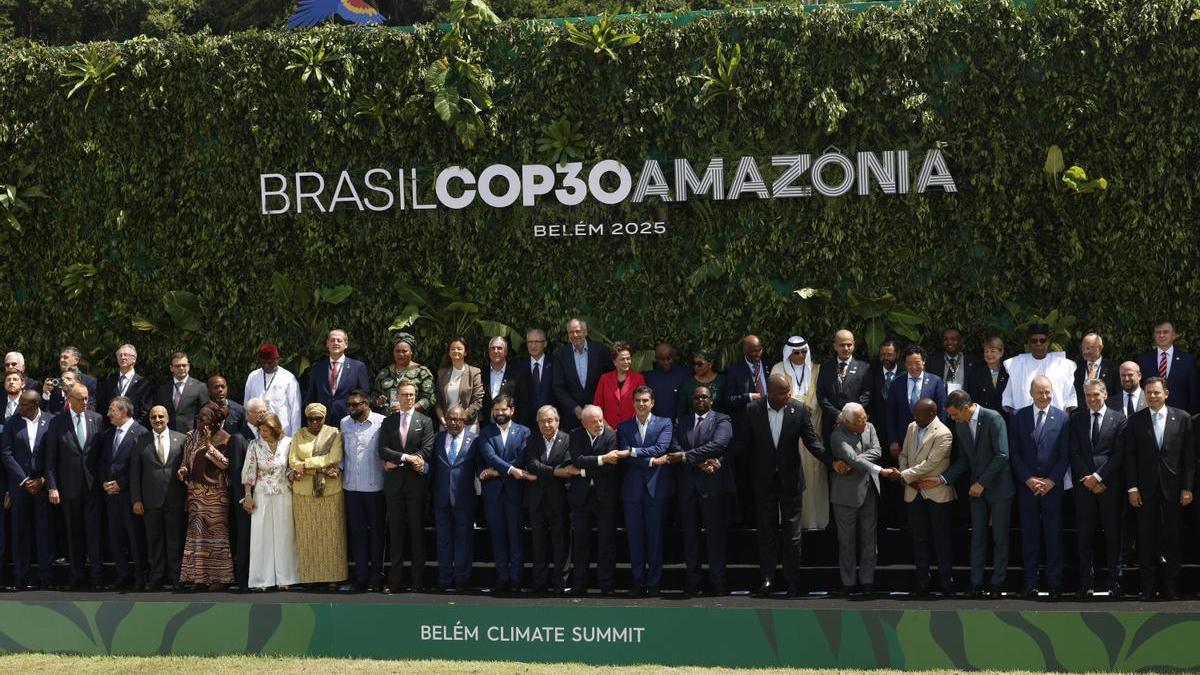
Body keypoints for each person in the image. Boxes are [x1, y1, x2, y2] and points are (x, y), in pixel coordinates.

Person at [737, 373, 839, 597]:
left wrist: (833, 462)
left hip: (790, 481)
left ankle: (793, 582)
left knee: (792, 534)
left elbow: (812, 442)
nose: (789, 396)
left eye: (789, 391)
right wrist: (722, 461)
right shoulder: (753, 410)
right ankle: (767, 580)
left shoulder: (798, 410)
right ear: (770, 394)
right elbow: (742, 444)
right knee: (766, 532)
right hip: (763, 482)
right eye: (784, 393)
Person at [923, 389, 1013, 598]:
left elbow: (1002, 455)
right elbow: (964, 459)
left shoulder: (993, 418)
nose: (952, 419)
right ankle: (976, 582)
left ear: (966, 408)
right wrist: (943, 479)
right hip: (976, 490)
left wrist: (982, 483)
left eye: (955, 414)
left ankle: (997, 583)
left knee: (1000, 537)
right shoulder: (961, 425)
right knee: (977, 537)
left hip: (999, 488)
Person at [1126, 377, 1194, 600]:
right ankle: (1147, 588)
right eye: (1149, 393)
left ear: (1166, 393)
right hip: (1144, 491)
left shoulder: (1182, 418)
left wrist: (1187, 488)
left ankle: (1170, 587)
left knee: (1172, 539)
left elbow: (1189, 457)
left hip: (1174, 491)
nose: (1152, 396)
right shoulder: (1135, 421)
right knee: (1146, 539)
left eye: (1156, 392)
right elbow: (1131, 457)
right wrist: (1132, 488)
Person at [881, 398, 955, 597]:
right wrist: (907, 478)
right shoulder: (912, 427)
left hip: (936, 494)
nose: (915, 417)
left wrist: (904, 475)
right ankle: (923, 582)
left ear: (932, 414)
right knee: (919, 539)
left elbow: (931, 464)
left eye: (919, 414)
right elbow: (903, 455)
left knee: (941, 540)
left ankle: (946, 583)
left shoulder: (944, 433)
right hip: (913, 492)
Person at [664, 385, 732, 596]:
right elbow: (674, 447)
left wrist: (687, 457)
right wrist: (697, 461)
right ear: (691, 400)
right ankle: (693, 584)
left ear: (711, 400)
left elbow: (719, 444)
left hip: (712, 487)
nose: (700, 400)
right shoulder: (681, 421)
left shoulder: (722, 419)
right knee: (690, 540)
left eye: (704, 397)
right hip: (687, 488)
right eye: (696, 397)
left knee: (715, 538)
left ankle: (718, 583)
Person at [1009, 376, 1070, 599]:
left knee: (1054, 536)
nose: (1044, 396)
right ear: (1031, 393)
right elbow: (1013, 453)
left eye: (1048, 392)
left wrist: (1051, 481)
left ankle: (1054, 583)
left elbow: (1065, 455)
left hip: (1053, 488)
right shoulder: (1019, 417)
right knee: (1030, 536)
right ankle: (1031, 582)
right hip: (1027, 488)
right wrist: (1028, 479)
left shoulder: (1063, 418)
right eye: (1040, 392)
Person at [1069, 378, 1126, 598]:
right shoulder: (1077, 419)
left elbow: (1119, 454)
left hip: (1109, 486)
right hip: (1084, 487)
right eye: (1088, 395)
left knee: (1113, 535)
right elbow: (1073, 452)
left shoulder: (1119, 419)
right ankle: (1086, 582)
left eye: (1096, 395)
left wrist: (1098, 477)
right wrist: (1088, 479)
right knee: (1084, 535)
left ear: (1104, 394)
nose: (1092, 399)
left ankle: (1115, 581)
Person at [44, 382, 105, 589]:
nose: (85, 402)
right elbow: (51, 459)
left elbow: (102, 456)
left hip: (92, 487)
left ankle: (97, 576)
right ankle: (76, 575)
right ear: (69, 399)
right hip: (68, 488)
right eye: (81, 398)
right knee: (73, 532)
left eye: (87, 397)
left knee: (94, 532)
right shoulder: (57, 423)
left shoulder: (96, 419)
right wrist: (52, 486)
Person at [378, 383, 434, 592]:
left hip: (416, 485)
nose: (409, 398)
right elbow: (383, 450)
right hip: (394, 487)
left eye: (412, 395)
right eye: (404, 395)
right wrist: (405, 458)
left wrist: (400, 462)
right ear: (397, 397)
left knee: (417, 533)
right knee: (396, 534)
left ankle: (418, 581)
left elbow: (427, 450)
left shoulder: (426, 421)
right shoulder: (388, 421)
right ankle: (395, 581)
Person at [476, 393, 535, 592]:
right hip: (493, 494)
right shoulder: (485, 432)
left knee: (516, 536)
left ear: (512, 410)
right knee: (498, 536)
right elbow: (489, 456)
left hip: (515, 493)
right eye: (496, 410)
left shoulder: (524, 432)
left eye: (503, 409)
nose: (500, 413)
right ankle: (503, 577)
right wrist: (510, 471)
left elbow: (522, 458)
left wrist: (497, 472)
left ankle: (517, 579)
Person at [617, 386, 673, 596]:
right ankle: (638, 582)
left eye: (645, 400)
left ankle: (654, 583)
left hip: (656, 489)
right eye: (638, 400)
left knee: (655, 538)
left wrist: (633, 451)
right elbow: (626, 460)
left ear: (652, 403)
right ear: (633, 403)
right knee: (635, 539)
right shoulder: (624, 427)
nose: (641, 404)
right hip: (632, 491)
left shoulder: (665, 423)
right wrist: (650, 461)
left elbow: (661, 448)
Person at [289, 402, 348, 589]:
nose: (315, 422)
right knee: (307, 535)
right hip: (304, 491)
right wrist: (318, 466)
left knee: (332, 535)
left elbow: (334, 457)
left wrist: (305, 465)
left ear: (325, 418)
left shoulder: (334, 433)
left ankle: (334, 577)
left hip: (330, 491)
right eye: (311, 419)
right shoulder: (299, 434)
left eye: (319, 418)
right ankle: (309, 577)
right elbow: (292, 460)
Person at [177, 402, 236, 590]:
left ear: (214, 421)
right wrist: (183, 469)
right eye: (198, 418)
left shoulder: (225, 437)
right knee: (197, 536)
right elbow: (186, 460)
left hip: (216, 495)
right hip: (195, 493)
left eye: (204, 419)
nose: (200, 422)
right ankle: (199, 577)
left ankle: (219, 578)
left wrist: (209, 445)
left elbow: (225, 464)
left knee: (216, 536)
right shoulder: (191, 436)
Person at [773, 335, 829, 530]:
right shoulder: (778, 369)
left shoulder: (817, 369)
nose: (800, 356)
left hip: (814, 430)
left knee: (814, 477)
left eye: (803, 351)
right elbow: (775, 397)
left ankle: (815, 521)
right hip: (789, 433)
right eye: (795, 352)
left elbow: (822, 397)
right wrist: (800, 408)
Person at [0, 389, 55, 589]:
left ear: (35, 405)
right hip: (19, 486)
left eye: (24, 404)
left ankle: (45, 576)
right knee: (20, 532)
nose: (19, 407)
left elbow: (53, 454)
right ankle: (21, 576)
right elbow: (6, 454)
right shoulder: (12, 423)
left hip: (42, 486)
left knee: (44, 531)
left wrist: (42, 480)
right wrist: (24, 480)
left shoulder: (50, 421)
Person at [565, 405, 621, 595]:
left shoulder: (611, 436)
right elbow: (577, 458)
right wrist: (602, 458)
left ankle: (607, 585)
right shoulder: (575, 434)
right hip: (581, 498)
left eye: (600, 419)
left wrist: (582, 471)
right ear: (583, 423)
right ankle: (579, 585)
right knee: (580, 542)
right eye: (593, 421)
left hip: (604, 497)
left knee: (607, 542)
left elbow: (611, 467)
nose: (598, 424)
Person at [828, 402, 883, 596]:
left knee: (870, 540)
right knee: (846, 542)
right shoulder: (837, 435)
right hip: (846, 495)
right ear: (848, 423)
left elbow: (878, 451)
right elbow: (851, 457)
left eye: (865, 417)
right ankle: (848, 582)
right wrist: (856, 461)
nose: (865, 421)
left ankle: (867, 581)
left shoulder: (870, 427)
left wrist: (853, 462)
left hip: (868, 491)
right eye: (860, 420)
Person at [130, 405, 187, 591]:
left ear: (168, 418)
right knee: (154, 541)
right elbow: (134, 474)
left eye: (161, 416)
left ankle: (176, 577)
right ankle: (156, 577)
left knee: (175, 540)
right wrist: (136, 499)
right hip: (150, 500)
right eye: (153, 417)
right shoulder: (140, 440)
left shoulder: (182, 440)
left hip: (176, 499)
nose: (157, 420)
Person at [241, 412, 299, 591]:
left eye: (266, 430)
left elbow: (289, 469)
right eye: (260, 430)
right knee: (261, 537)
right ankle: (262, 580)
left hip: (284, 493)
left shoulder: (289, 443)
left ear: (275, 429)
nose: (262, 433)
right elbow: (249, 472)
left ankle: (286, 578)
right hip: (261, 495)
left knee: (285, 535)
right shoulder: (254, 445)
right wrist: (248, 496)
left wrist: (295, 473)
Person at [340, 389, 387, 592]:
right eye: (349, 404)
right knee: (357, 532)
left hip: (375, 485)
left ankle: (377, 577)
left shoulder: (381, 422)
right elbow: (341, 451)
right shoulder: (344, 423)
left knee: (377, 532)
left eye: (356, 404)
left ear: (367, 404)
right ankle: (360, 577)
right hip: (351, 486)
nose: (352, 408)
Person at [100, 396, 149, 591]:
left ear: (123, 411)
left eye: (112, 409)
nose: (108, 413)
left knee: (135, 539)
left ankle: (140, 577)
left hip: (130, 496)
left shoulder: (141, 433)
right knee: (116, 538)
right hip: (111, 496)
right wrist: (104, 482)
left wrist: (121, 483)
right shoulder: (109, 434)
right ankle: (122, 575)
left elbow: (140, 467)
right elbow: (104, 461)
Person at [523, 405, 571, 594]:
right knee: (539, 542)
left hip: (560, 498)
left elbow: (566, 465)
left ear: (557, 421)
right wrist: (553, 472)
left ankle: (561, 582)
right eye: (542, 421)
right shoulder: (532, 439)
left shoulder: (567, 439)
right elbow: (532, 464)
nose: (547, 424)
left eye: (550, 420)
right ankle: (540, 582)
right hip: (537, 499)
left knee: (561, 542)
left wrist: (547, 471)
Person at [432, 405, 479, 592]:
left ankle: (461, 578)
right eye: (450, 418)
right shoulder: (438, 438)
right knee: (443, 540)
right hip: (441, 498)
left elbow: (479, 466)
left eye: (457, 419)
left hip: (464, 499)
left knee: (464, 540)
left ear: (464, 421)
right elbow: (431, 466)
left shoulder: (474, 440)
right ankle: (444, 578)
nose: (453, 422)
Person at [885, 345, 947, 456]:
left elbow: (942, 411)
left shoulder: (936, 381)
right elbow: (890, 413)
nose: (913, 367)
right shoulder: (896, 383)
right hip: (903, 438)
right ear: (904, 364)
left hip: (929, 436)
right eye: (909, 364)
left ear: (924, 362)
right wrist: (893, 440)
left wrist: (939, 436)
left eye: (917, 363)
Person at [551, 318, 612, 431]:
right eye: (571, 332)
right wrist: (575, 409)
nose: (575, 335)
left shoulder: (601, 351)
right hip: (572, 417)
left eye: (578, 331)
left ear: (585, 332)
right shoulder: (560, 355)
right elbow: (558, 387)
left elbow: (609, 380)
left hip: (599, 415)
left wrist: (597, 407)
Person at [1002, 324, 1077, 413]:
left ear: (1048, 342)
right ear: (1029, 343)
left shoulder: (1063, 365)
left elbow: (1070, 399)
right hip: (1025, 420)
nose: (1038, 344)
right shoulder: (1017, 365)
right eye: (1034, 341)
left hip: (1056, 421)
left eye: (1042, 340)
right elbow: (1008, 399)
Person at [816, 330, 872, 444]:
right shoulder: (825, 368)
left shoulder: (864, 367)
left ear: (854, 345)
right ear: (835, 346)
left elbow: (866, 395)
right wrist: (838, 415)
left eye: (849, 344)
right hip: (831, 423)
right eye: (842, 345)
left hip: (855, 424)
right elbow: (821, 395)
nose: (846, 348)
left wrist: (850, 415)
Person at [307, 328, 370, 428]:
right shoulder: (317, 367)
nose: (335, 343)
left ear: (346, 344)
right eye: (332, 340)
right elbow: (311, 396)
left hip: (350, 420)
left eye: (339, 340)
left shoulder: (358, 367)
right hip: (323, 421)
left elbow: (364, 395)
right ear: (327, 344)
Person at [1135, 320, 1198, 414]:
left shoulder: (1188, 360)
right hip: (1150, 415)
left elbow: (1193, 392)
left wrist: (1191, 417)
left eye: (1165, 332)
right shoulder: (1143, 360)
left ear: (1174, 335)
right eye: (1158, 332)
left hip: (1180, 417)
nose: (1161, 335)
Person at [244, 343, 302, 436]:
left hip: (282, 433)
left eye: (270, 362)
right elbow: (247, 406)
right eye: (263, 362)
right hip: (257, 433)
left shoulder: (288, 378)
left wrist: (295, 437)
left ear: (277, 359)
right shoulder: (253, 377)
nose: (266, 366)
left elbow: (296, 410)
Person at [373, 332, 436, 416]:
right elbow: (374, 395)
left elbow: (430, 399)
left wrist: (409, 409)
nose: (401, 354)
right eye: (397, 351)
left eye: (404, 351)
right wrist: (378, 401)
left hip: (414, 420)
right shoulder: (384, 373)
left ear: (411, 352)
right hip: (389, 421)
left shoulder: (422, 372)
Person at [593, 341, 645, 430]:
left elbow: (642, 405)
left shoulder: (638, 379)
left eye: (628, 359)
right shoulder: (604, 379)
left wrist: (629, 427)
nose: (626, 362)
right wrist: (606, 426)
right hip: (608, 430)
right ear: (614, 362)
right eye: (622, 359)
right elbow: (597, 406)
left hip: (632, 429)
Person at [434, 336, 484, 430]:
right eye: (452, 349)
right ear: (449, 352)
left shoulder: (474, 372)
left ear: (465, 352)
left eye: (459, 349)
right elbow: (438, 402)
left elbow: (477, 401)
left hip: (468, 424)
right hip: (446, 424)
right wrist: (444, 421)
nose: (455, 351)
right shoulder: (442, 373)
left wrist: (460, 419)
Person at [96, 344, 152, 425]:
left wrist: (133, 429)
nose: (122, 357)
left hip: (134, 431)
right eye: (120, 355)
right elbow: (103, 409)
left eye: (125, 355)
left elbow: (145, 412)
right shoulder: (109, 383)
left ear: (134, 359)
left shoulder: (144, 384)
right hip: (112, 431)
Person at [154, 352, 209, 433]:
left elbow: (205, 414)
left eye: (184, 365)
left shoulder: (200, 387)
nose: (181, 368)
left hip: (191, 435)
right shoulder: (163, 389)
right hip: (168, 434)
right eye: (177, 366)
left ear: (189, 366)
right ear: (171, 368)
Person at [479, 336, 527, 425]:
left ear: (505, 352)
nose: (496, 351)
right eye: (492, 348)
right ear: (488, 352)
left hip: (510, 426)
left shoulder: (517, 375)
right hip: (485, 427)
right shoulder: (481, 374)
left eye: (499, 348)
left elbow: (523, 403)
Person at [514, 327, 555, 429]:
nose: (533, 345)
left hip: (550, 422)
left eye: (537, 342)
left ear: (545, 344)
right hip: (525, 424)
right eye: (530, 342)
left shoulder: (555, 365)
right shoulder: (518, 367)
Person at [725, 334, 771, 419]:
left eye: (760, 350)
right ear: (745, 351)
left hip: (770, 416)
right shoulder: (735, 371)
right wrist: (749, 397)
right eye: (754, 351)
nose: (758, 354)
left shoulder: (768, 365)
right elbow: (729, 400)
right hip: (747, 419)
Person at [642, 342, 690, 421]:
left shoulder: (684, 375)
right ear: (656, 359)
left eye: (669, 358)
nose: (666, 362)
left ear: (674, 357)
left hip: (677, 425)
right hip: (654, 425)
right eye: (662, 359)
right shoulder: (649, 376)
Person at [927, 328, 980, 394]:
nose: (949, 342)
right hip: (941, 402)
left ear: (961, 341)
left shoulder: (973, 361)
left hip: (965, 402)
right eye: (945, 339)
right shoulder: (933, 362)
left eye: (953, 339)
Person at [1074, 333, 1120, 406]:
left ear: (1100, 348)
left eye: (1089, 348)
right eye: (1083, 348)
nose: (1085, 352)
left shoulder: (1113, 369)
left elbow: (1117, 396)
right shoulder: (1075, 368)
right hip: (1080, 414)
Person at [967, 336, 1010, 414]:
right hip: (984, 417)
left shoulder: (1008, 372)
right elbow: (973, 399)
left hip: (1004, 417)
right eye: (986, 351)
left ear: (1001, 352)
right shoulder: (976, 373)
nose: (989, 354)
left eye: (992, 351)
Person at [678, 350, 725, 415]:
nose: (696, 367)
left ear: (710, 364)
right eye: (694, 364)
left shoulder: (722, 381)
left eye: (699, 364)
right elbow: (682, 409)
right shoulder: (688, 383)